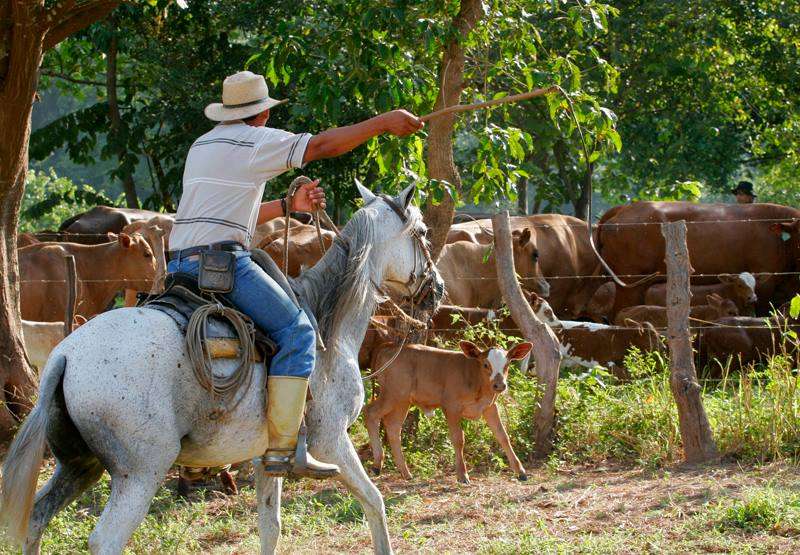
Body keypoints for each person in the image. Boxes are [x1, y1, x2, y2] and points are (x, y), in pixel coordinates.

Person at [166, 71, 424, 479]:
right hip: (222, 265)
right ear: (262, 115)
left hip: (178, 266)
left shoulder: (203, 145)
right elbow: (321, 145)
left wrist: (288, 206)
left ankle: (210, 439)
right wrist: (383, 122)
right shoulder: (253, 140)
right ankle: (285, 449)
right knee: (298, 332)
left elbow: (234, 214)